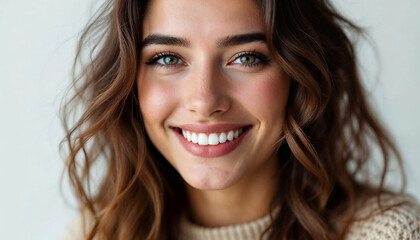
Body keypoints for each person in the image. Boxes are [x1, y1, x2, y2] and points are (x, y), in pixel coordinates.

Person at [60, 0, 420, 239]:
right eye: (168, 59)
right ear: (127, 82)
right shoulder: (97, 232)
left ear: (299, 76)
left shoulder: (388, 233)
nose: (204, 101)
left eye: (246, 57)